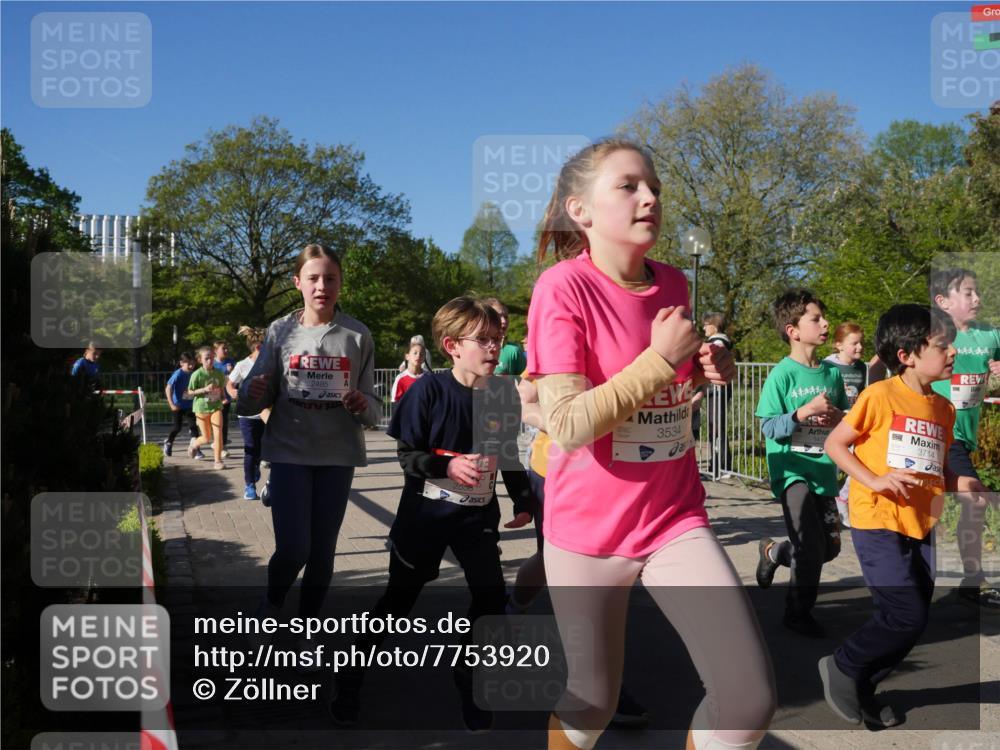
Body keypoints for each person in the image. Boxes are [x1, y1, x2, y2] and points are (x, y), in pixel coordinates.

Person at [525, 139, 774, 750]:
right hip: (587, 533)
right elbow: (569, 423)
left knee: (748, 701)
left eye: (655, 188)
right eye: (629, 185)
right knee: (592, 702)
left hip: (673, 517)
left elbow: (675, 379)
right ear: (579, 210)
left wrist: (713, 365)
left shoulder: (674, 282)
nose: (650, 198)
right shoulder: (562, 289)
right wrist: (662, 361)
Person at [329, 297, 534, 732]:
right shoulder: (429, 390)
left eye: (497, 339)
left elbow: (508, 454)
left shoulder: (501, 394)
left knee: (491, 599)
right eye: (483, 340)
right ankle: (350, 675)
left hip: (476, 517)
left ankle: (468, 671)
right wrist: (447, 466)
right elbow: (407, 457)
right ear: (452, 345)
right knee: (398, 603)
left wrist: (522, 499)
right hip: (424, 518)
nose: (494, 348)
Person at [821, 304, 961, 727]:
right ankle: (843, 666)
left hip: (921, 522)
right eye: (942, 344)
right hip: (877, 519)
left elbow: (940, 466)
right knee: (906, 614)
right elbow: (836, 445)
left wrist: (963, 484)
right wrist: (875, 480)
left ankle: (863, 682)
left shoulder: (943, 408)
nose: (953, 352)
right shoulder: (879, 395)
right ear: (908, 355)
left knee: (913, 618)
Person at [239, 244, 379, 634]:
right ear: (297, 283)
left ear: (340, 284)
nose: (322, 286)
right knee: (294, 548)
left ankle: (307, 628)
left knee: (321, 554)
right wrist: (255, 388)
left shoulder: (358, 335)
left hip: (338, 454)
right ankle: (271, 603)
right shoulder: (280, 331)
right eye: (314, 278)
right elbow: (252, 399)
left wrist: (360, 403)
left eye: (330, 278)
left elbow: (375, 409)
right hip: (289, 452)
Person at [509, 371, 651, 729]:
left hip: (615, 472)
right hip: (557, 472)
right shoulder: (562, 332)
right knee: (567, 573)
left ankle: (513, 611)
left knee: (582, 570)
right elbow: (524, 398)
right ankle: (600, 689)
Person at [754, 290, 849, 638]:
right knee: (809, 546)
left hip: (824, 469)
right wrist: (802, 412)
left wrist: (837, 416)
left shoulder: (831, 374)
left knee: (829, 549)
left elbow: (841, 422)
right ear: (793, 330)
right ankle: (797, 614)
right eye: (815, 319)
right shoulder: (783, 375)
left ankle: (774, 552)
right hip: (792, 471)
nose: (825, 323)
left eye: (823, 317)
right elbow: (768, 427)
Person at [929, 268, 1000, 609]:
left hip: (965, 436)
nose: (977, 299)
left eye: (977, 292)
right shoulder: (932, 335)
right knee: (975, 499)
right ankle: (972, 579)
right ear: (943, 301)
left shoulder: (990, 335)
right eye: (968, 293)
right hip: (940, 431)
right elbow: (886, 360)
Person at [824, 321, 869, 527]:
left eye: (861, 343)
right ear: (839, 345)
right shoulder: (827, 366)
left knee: (859, 462)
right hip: (832, 421)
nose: (860, 347)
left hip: (854, 422)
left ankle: (842, 498)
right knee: (831, 465)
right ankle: (829, 508)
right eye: (854, 343)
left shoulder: (861, 367)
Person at [227, 326, 268, 501]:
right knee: (251, 449)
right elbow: (229, 384)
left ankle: (257, 466)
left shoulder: (271, 363)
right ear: (258, 347)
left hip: (266, 413)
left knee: (265, 448)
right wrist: (233, 392)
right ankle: (249, 485)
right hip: (248, 415)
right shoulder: (243, 365)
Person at [702, 312, 734, 477]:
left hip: (718, 390)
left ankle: (721, 466)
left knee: (716, 427)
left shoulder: (718, 342)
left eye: (706, 324)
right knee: (714, 426)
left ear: (714, 325)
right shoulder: (717, 341)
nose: (704, 327)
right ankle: (716, 465)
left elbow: (713, 360)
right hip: (715, 390)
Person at [185, 346, 228, 469]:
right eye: (207, 358)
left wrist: (223, 397)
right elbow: (189, 391)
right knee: (206, 438)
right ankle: (194, 444)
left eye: (212, 358)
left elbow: (221, 389)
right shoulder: (197, 374)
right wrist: (204, 389)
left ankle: (218, 461)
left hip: (216, 407)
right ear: (200, 360)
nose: (210, 361)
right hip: (201, 408)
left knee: (218, 432)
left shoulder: (219, 373)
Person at [163, 352, 199, 458]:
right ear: (181, 363)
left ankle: (196, 449)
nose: (191, 366)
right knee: (177, 428)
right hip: (177, 405)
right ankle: (169, 442)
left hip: (189, 405)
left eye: (193, 364)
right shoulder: (178, 374)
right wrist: (171, 404)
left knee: (194, 427)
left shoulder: (194, 373)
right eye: (189, 364)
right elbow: (168, 388)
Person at [483, 297, 528, 380]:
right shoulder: (474, 347)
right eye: (498, 316)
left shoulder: (513, 350)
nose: (503, 321)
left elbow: (525, 383)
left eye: (506, 317)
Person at [213, 340, 237, 458]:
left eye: (227, 348)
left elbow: (236, 378)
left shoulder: (231, 362)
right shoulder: (211, 363)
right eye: (224, 349)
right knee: (216, 422)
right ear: (216, 351)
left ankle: (222, 445)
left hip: (226, 397)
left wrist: (232, 371)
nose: (226, 351)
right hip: (214, 397)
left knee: (224, 421)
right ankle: (217, 443)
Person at [389, 341, 425, 415]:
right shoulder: (400, 379)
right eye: (415, 353)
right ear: (407, 356)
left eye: (421, 354)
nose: (418, 356)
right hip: (407, 419)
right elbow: (396, 404)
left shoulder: (429, 377)